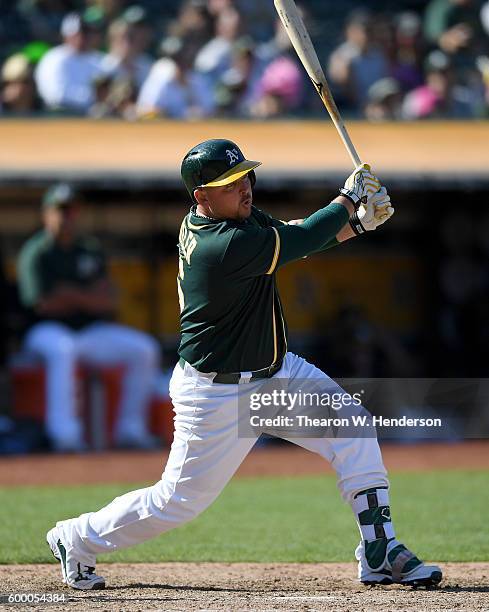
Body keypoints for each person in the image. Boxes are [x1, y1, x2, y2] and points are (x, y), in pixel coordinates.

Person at [46, 139, 442, 590]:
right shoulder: (221, 245)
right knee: (177, 501)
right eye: (230, 184)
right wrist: (349, 201)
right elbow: (297, 239)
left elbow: (296, 237)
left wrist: (358, 225)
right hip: (217, 394)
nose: (245, 188)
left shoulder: (236, 220)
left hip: (278, 374)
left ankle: (380, 548)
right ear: (201, 196)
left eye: (245, 177)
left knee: (353, 426)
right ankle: (75, 538)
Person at [17, 183, 160, 452]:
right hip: (44, 332)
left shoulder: (89, 248)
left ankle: (130, 430)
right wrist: (86, 297)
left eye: (70, 210)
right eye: (60, 210)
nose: (66, 216)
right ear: (46, 213)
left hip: (88, 330)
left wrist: (70, 294)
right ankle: (65, 436)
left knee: (143, 349)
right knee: (64, 350)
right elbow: (43, 305)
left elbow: (108, 299)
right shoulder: (37, 252)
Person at [35, 12, 106, 113]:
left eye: (88, 32)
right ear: (66, 35)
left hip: (94, 117)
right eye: (80, 33)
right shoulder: (54, 58)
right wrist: (94, 97)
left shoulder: (99, 59)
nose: (84, 37)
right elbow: (55, 96)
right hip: (61, 117)